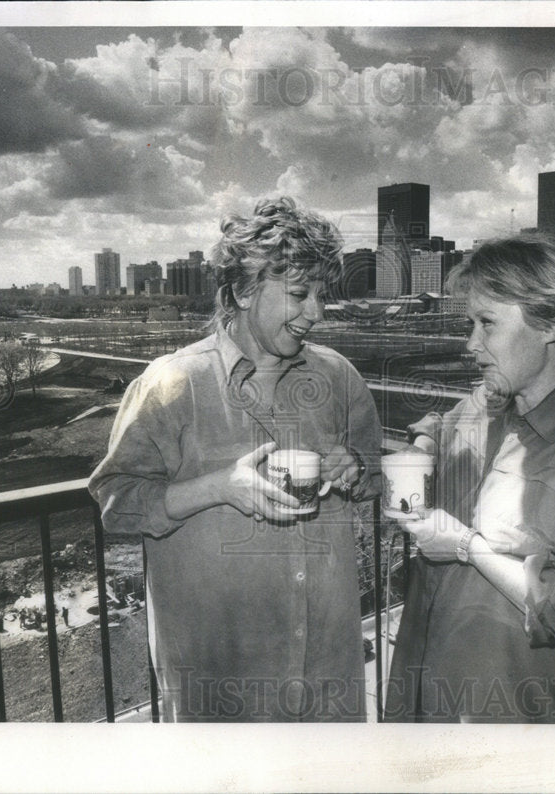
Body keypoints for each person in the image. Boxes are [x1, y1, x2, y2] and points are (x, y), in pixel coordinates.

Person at [89, 197, 382, 722]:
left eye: (321, 295)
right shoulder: (173, 385)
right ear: (243, 290)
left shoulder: (339, 378)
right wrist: (217, 487)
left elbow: (374, 478)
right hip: (223, 682)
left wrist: (356, 469)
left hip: (328, 676)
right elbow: (116, 503)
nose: (316, 313)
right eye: (299, 294)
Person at [385, 233, 555, 723]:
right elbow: (444, 422)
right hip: (435, 702)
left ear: (552, 324)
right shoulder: (489, 407)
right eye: (470, 324)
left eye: (487, 324)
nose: (471, 343)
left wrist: (468, 546)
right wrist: (424, 446)